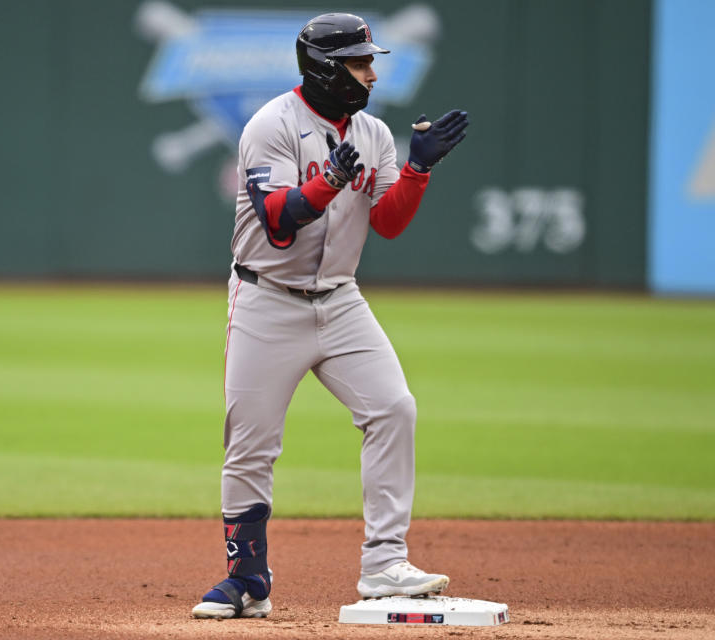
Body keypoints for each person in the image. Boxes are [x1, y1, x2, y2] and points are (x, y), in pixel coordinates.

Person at [191, 12, 469, 620]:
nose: (371, 72)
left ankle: (385, 563)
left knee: (393, 407)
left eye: (370, 60)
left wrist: (419, 169)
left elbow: (390, 223)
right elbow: (278, 222)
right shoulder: (273, 125)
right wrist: (331, 181)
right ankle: (246, 580)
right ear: (325, 68)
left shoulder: (373, 133)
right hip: (267, 298)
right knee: (251, 444)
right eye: (360, 61)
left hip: (341, 299)